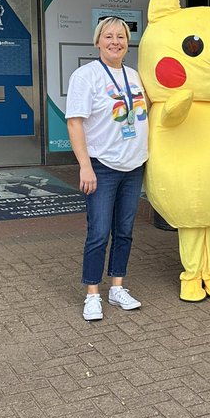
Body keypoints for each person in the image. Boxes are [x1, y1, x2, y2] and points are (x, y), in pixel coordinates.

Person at [65, 17, 149, 321]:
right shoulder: (85, 76)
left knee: (124, 231)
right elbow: (74, 122)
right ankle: (92, 294)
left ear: (128, 42)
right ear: (98, 41)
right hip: (102, 166)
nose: (115, 41)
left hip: (133, 165)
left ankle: (117, 287)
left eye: (121, 36)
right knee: (99, 232)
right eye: (109, 36)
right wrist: (85, 166)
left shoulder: (135, 75)